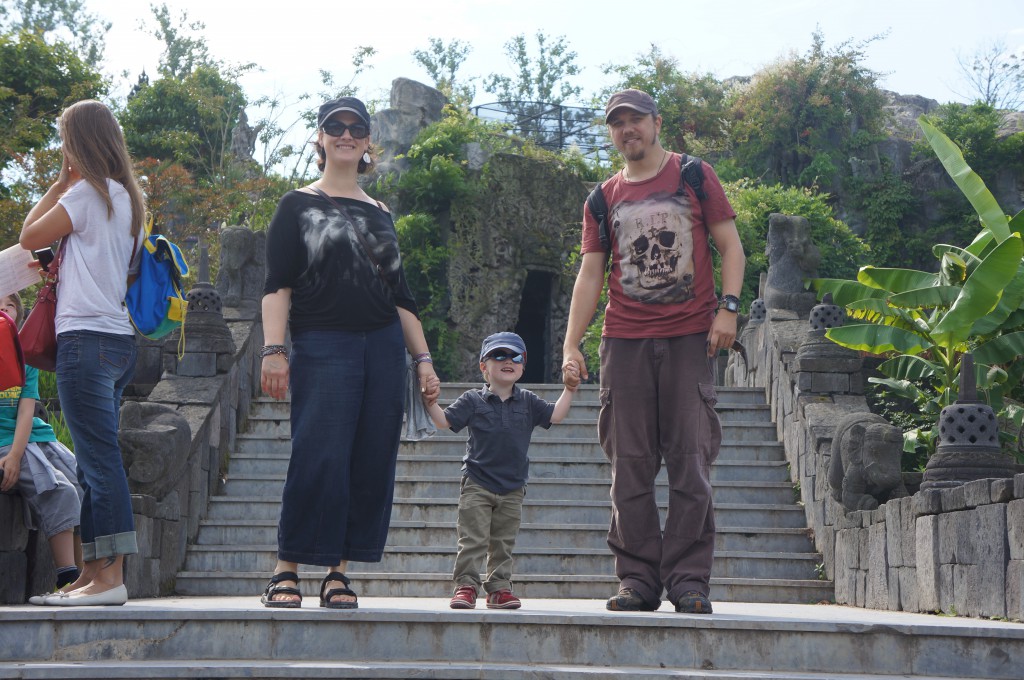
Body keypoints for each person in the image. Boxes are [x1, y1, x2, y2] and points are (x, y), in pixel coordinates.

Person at [561, 89, 746, 615]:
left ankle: (689, 580)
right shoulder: (603, 197)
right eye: (617, 123)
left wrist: (728, 308)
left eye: (635, 120)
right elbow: (591, 274)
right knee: (629, 468)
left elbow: (730, 245)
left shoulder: (692, 174)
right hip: (624, 341)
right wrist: (573, 341)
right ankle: (637, 580)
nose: (627, 130)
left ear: (656, 123)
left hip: (690, 336)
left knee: (690, 461)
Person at [260, 96, 441, 609]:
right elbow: (278, 283)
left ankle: (338, 571)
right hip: (323, 341)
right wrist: (275, 349)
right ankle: (287, 566)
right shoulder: (296, 203)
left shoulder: (381, 211)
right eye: (334, 126)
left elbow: (401, 295)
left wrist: (423, 360)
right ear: (320, 138)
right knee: (317, 453)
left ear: (367, 141)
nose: (345, 134)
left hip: (382, 346)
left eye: (355, 127)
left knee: (370, 459)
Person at [19, 99, 146, 607]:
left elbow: (29, 237)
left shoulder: (88, 196)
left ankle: (110, 578)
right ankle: (93, 575)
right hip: (117, 342)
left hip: (85, 342)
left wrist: (57, 182)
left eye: (65, 138)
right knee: (94, 461)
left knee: (99, 461)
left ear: (79, 143)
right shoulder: (130, 200)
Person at [425, 332, 579, 610]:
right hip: (477, 482)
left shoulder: (528, 401)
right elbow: (443, 422)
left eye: (515, 356)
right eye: (499, 355)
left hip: (513, 487)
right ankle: (466, 586)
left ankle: (499, 589)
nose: (508, 361)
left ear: (523, 365)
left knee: (503, 543)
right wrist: (429, 401)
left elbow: (555, 415)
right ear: (484, 366)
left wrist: (569, 388)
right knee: (472, 539)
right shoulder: (473, 400)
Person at [0, 293, 83, 600]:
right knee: (57, 489)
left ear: (18, 315)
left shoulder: (23, 355)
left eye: (9, 304)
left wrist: (17, 454)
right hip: (5, 442)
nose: (3, 308)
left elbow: (26, 409)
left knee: (82, 484)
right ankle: (67, 578)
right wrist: (12, 456)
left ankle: (85, 581)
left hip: (35, 437)